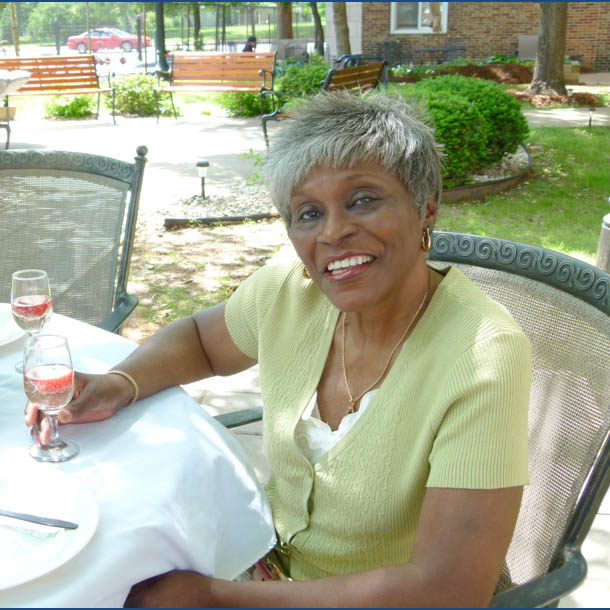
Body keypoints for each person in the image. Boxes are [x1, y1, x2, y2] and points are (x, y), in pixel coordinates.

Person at [26, 91, 531, 607]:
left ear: (425, 209)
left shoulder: (482, 357)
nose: (334, 231)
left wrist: (215, 600)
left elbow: (448, 589)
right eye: (308, 213)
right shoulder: (293, 290)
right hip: (271, 572)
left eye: (362, 200)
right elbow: (203, 341)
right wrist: (119, 383)